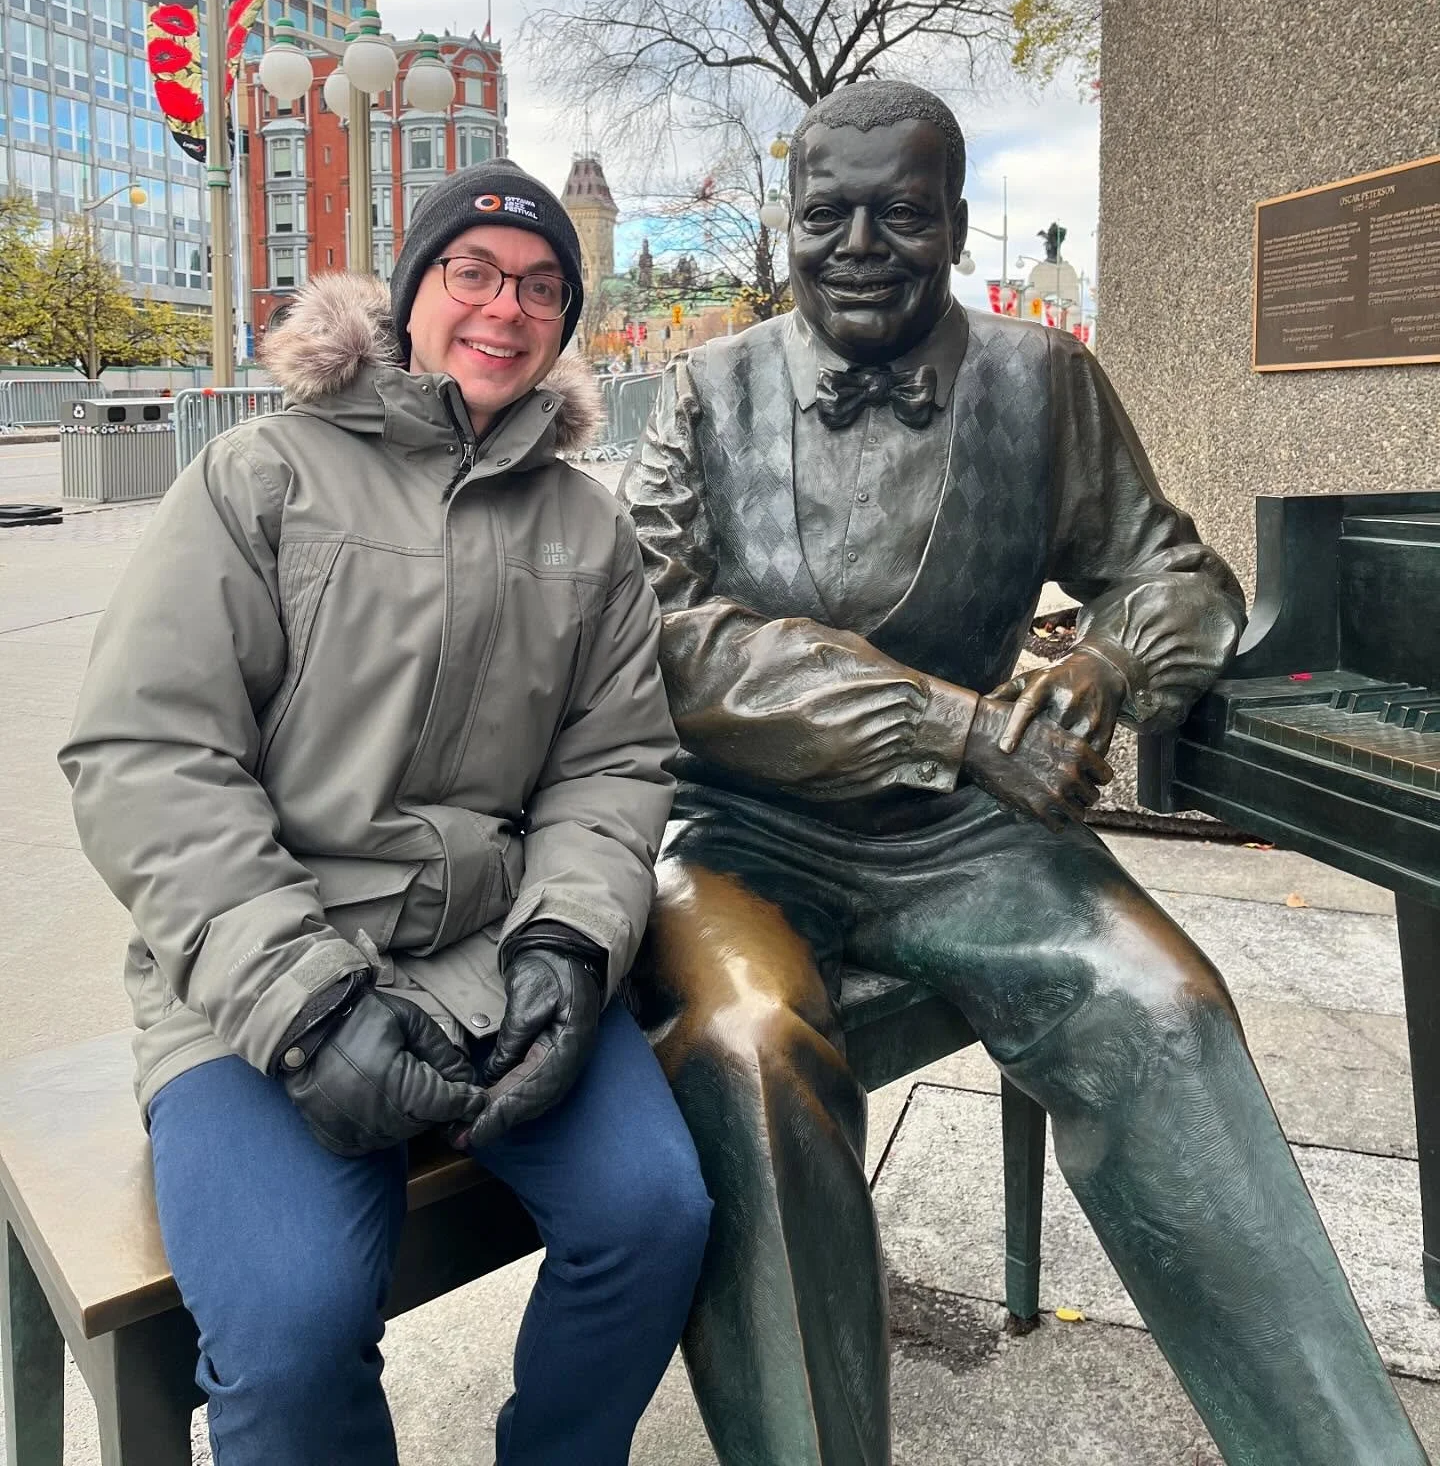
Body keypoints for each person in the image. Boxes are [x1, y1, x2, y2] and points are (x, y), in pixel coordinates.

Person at [619, 80, 1427, 1466]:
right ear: (786, 223)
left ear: (956, 223)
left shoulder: (1043, 379)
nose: (862, 243)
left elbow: (1177, 575)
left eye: (903, 213)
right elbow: (657, 637)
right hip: (738, 832)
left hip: (971, 838)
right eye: (828, 215)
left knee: (1164, 1007)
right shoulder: (705, 391)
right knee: (747, 1052)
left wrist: (1105, 669)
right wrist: (951, 722)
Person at [62, 158, 711, 1466]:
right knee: (294, 1335)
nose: (505, 307)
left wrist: (570, 945)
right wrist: (304, 1005)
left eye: (540, 287)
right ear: (411, 295)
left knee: (657, 1217)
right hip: (256, 985)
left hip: (488, 963)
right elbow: (147, 752)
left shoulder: (589, 529)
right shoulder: (262, 478)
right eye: (473, 272)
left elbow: (612, 765)